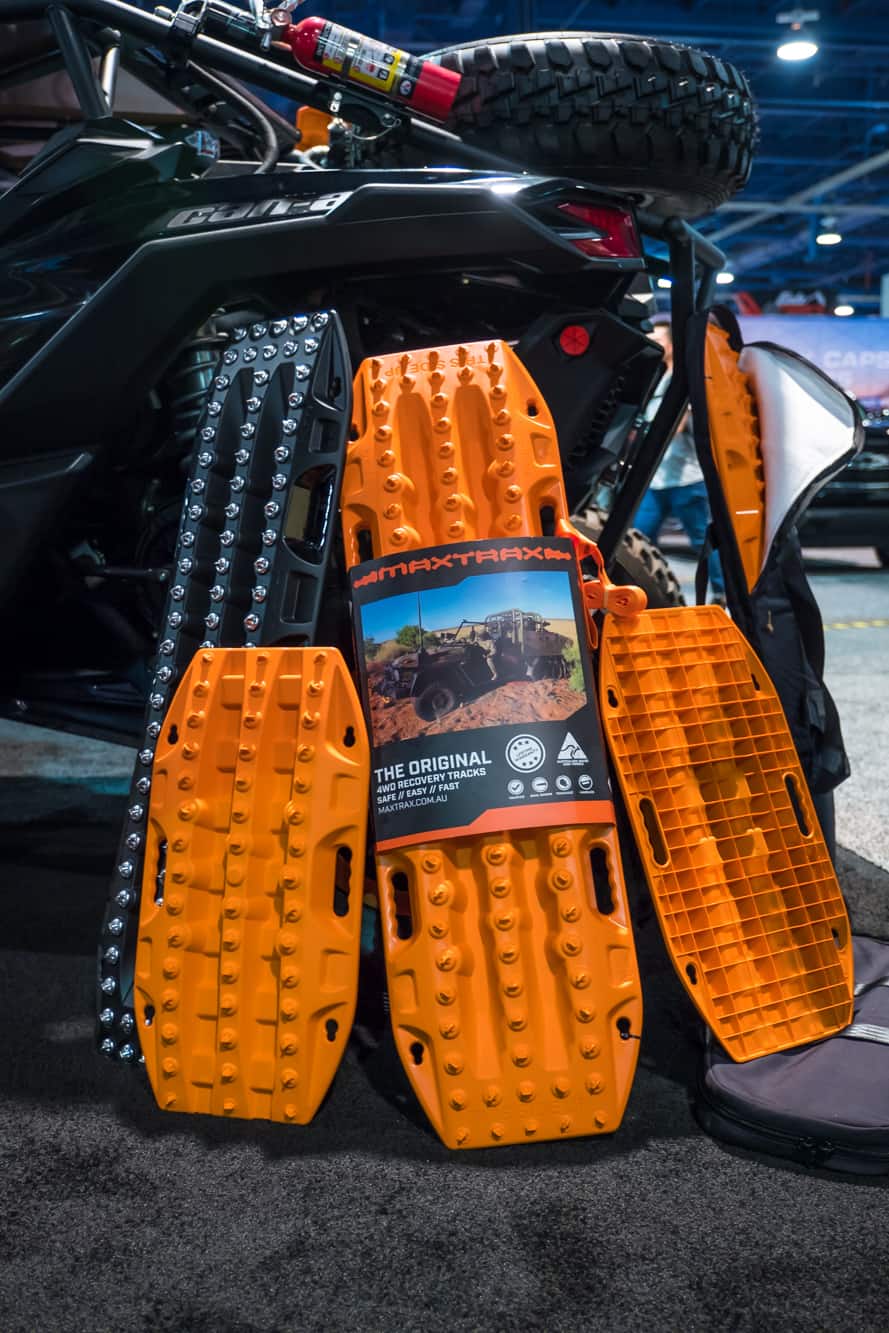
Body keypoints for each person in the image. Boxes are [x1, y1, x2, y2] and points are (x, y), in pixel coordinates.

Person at [634, 317, 725, 602]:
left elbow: (677, 426)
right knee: (638, 537)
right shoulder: (656, 379)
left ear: (673, 346)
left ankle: (723, 593)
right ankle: (643, 593)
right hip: (655, 478)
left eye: (659, 340)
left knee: (701, 540)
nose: (654, 344)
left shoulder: (683, 382)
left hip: (686, 479)